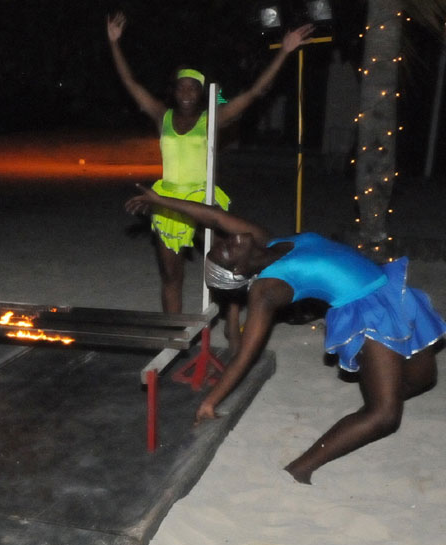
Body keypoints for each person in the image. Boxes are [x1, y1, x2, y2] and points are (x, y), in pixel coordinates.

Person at [125, 187, 446, 484]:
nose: (227, 241)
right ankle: (300, 469)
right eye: (226, 251)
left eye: (222, 243)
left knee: (423, 378)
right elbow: (245, 355)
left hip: (389, 292)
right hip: (367, 314)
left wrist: (160, 201)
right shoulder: (268, 290)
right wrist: (211, 400)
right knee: (384, 416)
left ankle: (379, 393)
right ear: (239, 272)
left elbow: (213, 216)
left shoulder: (265, 242)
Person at [106, 12, 313, 350]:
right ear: (174, 91)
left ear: (201, 93)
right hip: (169, 200)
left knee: (226, 267)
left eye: (194, 88)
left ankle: (231, 326)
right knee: (171, 276)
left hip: (203, 198)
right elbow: (131, 85)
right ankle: (173, 339)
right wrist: (115, 44)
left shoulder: (212, 118)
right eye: (182, 86)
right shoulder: (163, 116)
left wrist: (285, 51)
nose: (187, 92)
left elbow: (257, 91)